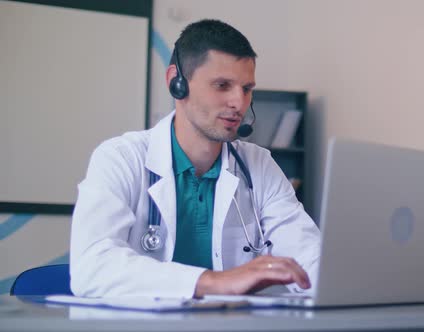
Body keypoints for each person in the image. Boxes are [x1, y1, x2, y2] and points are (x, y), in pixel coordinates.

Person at [69, 19, 321, 298]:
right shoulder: (120, 158)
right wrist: (214, 282)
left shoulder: (258, 166)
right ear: (176, 83)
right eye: (222, 85)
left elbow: (309, 258)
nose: (239, 103)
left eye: (247, 88)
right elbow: (91, 267)